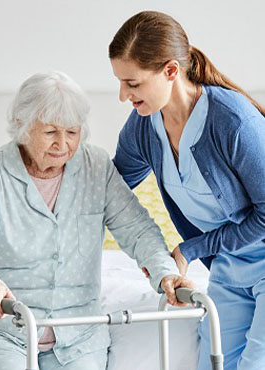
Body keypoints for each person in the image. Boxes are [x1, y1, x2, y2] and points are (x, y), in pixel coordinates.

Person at [0, 71, 193, 370]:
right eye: (51, 132)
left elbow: (136, 228)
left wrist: (166, 273)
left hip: (80, 335)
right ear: (21, 126)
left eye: (72, 132)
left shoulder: (96, 167)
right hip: (7, 330)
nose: (63, 144)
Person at [109, 10, 265, 370]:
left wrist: (190, 249)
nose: (122, 95)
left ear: (171, 71)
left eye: (132, 84)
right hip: (229, 269)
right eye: (119, 82)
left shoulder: (234, 122)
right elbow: (110, 191)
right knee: (213, 365)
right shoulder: (144, 127)